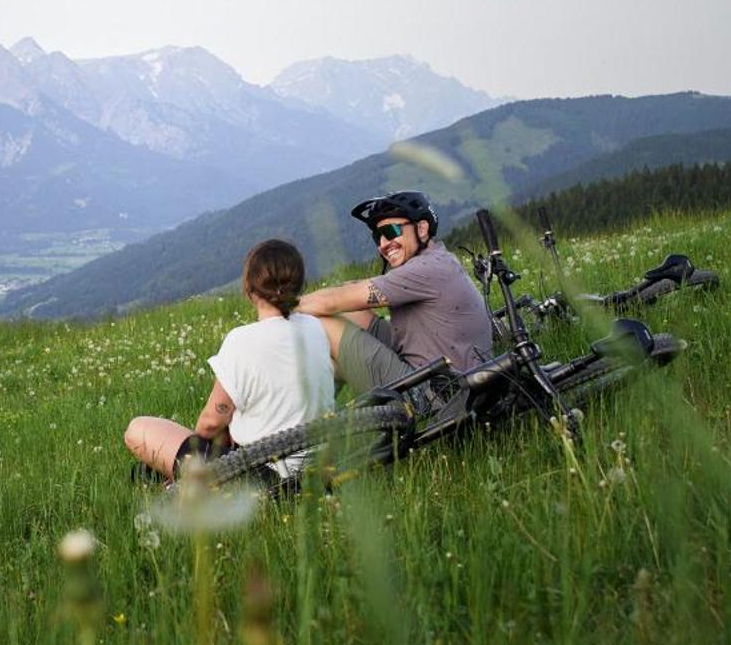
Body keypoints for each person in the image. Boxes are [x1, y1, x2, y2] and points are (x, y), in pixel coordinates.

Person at [124, 239, 335, 481]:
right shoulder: (314, 327)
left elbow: (211, 423)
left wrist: (193, 456)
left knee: (137, 429)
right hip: (318, 467)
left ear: (249, 288)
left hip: (265, 476)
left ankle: (181, 481)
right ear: (299, 285)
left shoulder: (242, 340)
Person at [294, 190, 492, 393]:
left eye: (390, 232)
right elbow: (348, 294)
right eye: (377, 237)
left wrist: (279, 307)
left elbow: (330, 303)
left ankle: (303, 412)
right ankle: (314, 415)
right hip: (443, 375)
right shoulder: (439, 260)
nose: (383, 244)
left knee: (325, 323)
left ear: (422, 228)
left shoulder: (425, 269)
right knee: (351, 314)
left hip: (435, 395)